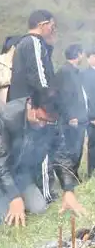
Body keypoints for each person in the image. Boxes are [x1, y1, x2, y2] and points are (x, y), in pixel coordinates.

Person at [0, 89, 85, 227]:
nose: (42, 125)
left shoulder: (52, 121)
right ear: (31, 105)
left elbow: (60, 155)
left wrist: (68, 189)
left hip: (22, 175)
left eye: (48, 122)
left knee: (39, 208)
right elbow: (0, 162)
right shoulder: (7, 117)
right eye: (39, 119)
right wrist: (14, 196)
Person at [53, 44, 87, 176]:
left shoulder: (74, 71)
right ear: (78, 54)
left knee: (77, 148)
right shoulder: (66, 71)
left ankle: (73, 175)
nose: (82, 56)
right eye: (81, 53)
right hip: (72, 118)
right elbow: (65, 96)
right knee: (72, 148)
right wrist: (71, 116)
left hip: (80, 117)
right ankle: (69, 176)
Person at [8, 10, 56, 101]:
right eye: (52, 27)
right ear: (42, 25)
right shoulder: (33, 41)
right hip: (32, 102)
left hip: (21, 100)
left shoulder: (25, 42)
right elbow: (37, 75)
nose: (53, 31)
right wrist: (49, 97)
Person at [0, 36, 21, 105]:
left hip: (16, 101)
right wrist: (10, 80)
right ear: (13, 47)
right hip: (0, 100)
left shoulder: (21, 63)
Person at [83, 47, 95, 177]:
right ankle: (92, 173)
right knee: (93, 145)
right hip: (92, 117)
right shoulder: (84, 75)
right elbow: (87, 98)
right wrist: (92, 116)